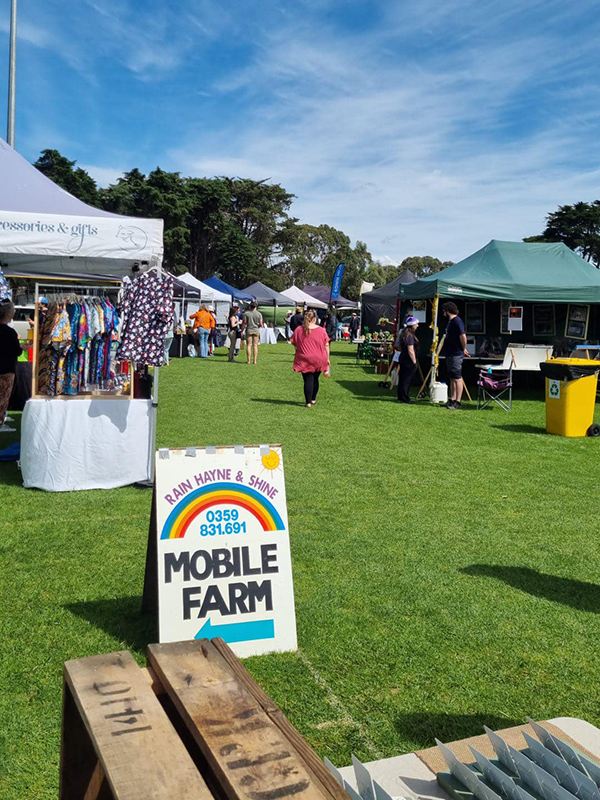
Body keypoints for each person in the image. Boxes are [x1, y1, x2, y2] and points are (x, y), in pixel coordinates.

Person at [290, 309, 330, 408]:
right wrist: (327, 358)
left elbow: (294, 343)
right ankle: (313, 399)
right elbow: (326, 345)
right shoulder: (321, 330)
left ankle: (308, 402)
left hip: (305, 357)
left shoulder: (299, 330)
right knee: (315, 379)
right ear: (315, 319)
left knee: (308, 379)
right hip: (319, 358)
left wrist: (298, 351)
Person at [442, 301, 470, 409]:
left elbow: (463, 336)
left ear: (448, 311)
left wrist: (463, 348)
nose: (443, 313)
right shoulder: (451, 322)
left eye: (444, 311)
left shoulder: (457, 321)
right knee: (452, 377)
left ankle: (458, 401)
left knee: (457, 377)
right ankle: (452, 399)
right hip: (450, 353)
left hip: (456, 354)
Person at [0, 302, 22, 432]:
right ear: (9, 314)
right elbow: (16, 351)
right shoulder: (10, 332)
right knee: (3, 397)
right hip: (6, 369)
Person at [396, 316, 420, 404]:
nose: (417, 326)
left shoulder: (404, 333)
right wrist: (414, 362)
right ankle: (405, 397)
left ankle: (400, 397)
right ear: (412, 325)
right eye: (416, 324)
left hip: (403, 358)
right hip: (408, 360)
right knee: (406, 380)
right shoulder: (409, 336)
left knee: (402, 378)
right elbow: (410, 350)